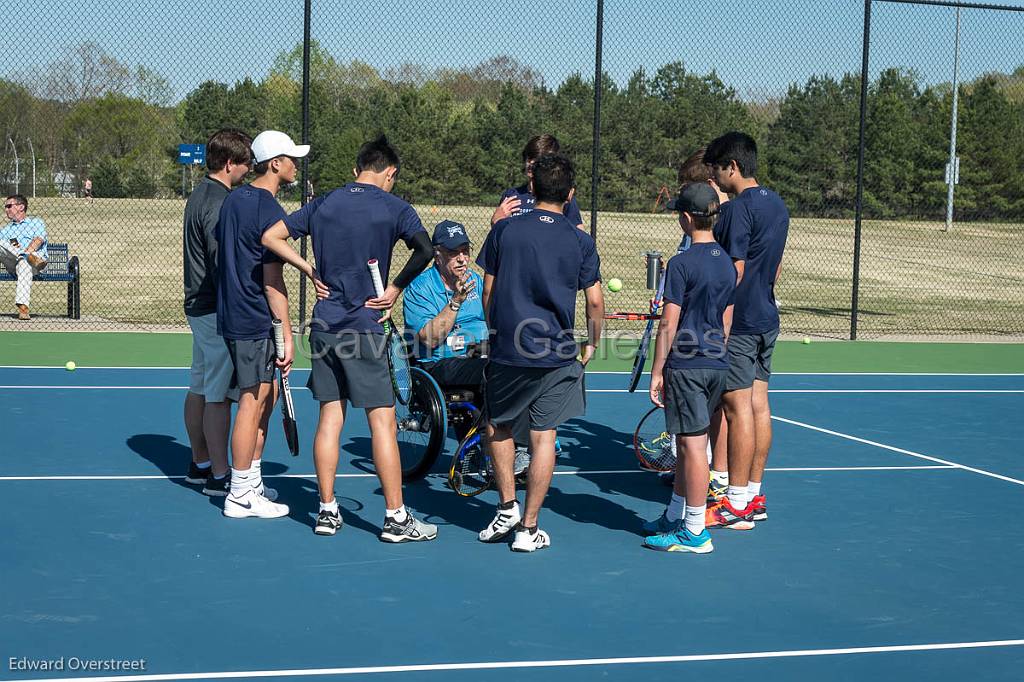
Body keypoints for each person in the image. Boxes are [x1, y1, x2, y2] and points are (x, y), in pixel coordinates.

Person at [262, 134, 437, 542]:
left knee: (330, 418)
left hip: (324, 327)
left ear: (357, 168)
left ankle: (326, 511)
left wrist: (309, 269)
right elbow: (426, 251)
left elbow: (270, 236)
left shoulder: (325, 202)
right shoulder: (395, 207)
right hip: (365, 328)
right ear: (389, 172)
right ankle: (396, 518)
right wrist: (394, 289)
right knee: (383, 422)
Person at [476, 154, 604, 552]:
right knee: (543, 437)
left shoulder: (503, 231)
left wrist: (497, 331)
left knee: (497, 427)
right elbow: (596, 303)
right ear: (570, 194)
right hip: (557, 354)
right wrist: (593, 343)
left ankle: (506, 507)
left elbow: (487, 292)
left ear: (531, 188)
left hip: (508, 350)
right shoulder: (581, 241)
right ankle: (528, 530)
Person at [640, 183, 736, 552]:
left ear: (685, 217)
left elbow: (669, 323)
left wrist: (657, 371)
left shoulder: (680, 265)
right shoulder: (727, 262)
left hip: (688, 365)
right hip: (716, 364)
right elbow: (727, 320)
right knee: (685, 444)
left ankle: (694, 530)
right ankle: (676, 513)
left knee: (694, 447)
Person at [217, 129, 307, 519]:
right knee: (252, 404)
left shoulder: (233, 199)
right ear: (275, 164)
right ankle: (238, 494)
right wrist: (285, 331)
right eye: (291, 159)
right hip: (254, 318)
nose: (296, 165)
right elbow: (272, 282)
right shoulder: (272, 212)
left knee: (263, 399)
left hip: (235, 314)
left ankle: (251, 482)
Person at [704, 131, 789, 528]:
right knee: (758, 406)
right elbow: (776, 267)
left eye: (718, 169)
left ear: (732, 167)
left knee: (737, 410)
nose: (715, 177)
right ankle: (753, 495)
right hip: (766, 318)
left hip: (738, 322)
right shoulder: (778, 206)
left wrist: (720, 323)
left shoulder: (738, 210)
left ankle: (735, 504)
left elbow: (733, 270)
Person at [402, 220, 532, 473]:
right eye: (454, 252)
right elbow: (430, 339)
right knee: (494, 371)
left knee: (519, 367)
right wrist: (456, 301)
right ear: (437, 255)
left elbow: (494, 318)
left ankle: (519, 448)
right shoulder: (420, 287)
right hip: (438, 363)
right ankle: (495, 446)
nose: (462, 259)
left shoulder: (477, 281)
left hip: (479, 355)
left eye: (465, 251)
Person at [182, 129, 252, 496]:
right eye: (245, 164)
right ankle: (220, 475)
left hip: (198, 306)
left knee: (200, 384)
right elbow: (219, 256)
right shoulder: (218, 202)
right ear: (229, 164)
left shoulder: (199, 194)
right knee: (218, 395)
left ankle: (200, 463)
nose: (248, 170)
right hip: (213, 308)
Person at [491, 134, 586, 231]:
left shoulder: (561, 197)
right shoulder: (511, 195)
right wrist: (496, 221)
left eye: (537, 160)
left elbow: (579, 234)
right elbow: (498, 234)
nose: (531, 164)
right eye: (529, 158)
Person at [0, 194, 48, 321]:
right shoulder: (6, 230)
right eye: (5, 207)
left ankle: (23, 308)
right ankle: (25, 256)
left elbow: (38, 239)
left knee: (24, 263)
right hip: (15, 262)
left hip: (34, 264)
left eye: (9, 206)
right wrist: (24, 253)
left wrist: (25, 254)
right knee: (19, 256)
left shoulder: (36, 222)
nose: (6, 209)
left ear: (21, 207)